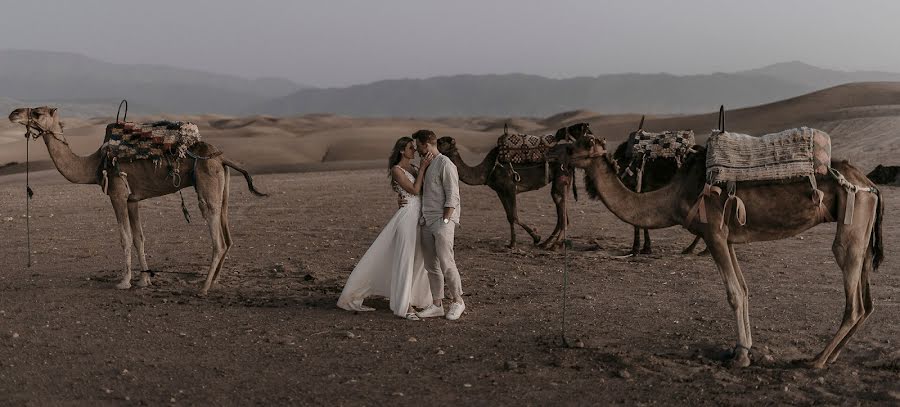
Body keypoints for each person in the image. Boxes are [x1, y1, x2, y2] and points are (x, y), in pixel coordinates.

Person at [337, 137, 434, 320]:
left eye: (414, 147)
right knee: (405, 259)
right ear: (401, 151)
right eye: (410, 148)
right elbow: (414, 190)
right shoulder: (397, 170)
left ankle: (415, 298)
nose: (413, 151)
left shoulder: (412, 169)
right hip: (407, 219)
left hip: (419, 217)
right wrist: (422, 168)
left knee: (418, 259)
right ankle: (404, 306)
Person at [410, 130, 466, 320]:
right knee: (431, 266)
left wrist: (445, 221)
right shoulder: (427, 164)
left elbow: (453, 196)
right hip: (426, 221)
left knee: (446, 263)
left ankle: (458, 301)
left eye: (418, 146)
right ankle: (437, 304)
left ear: (426, 145)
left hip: (442, 222)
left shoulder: (445, 164)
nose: (417, 150)